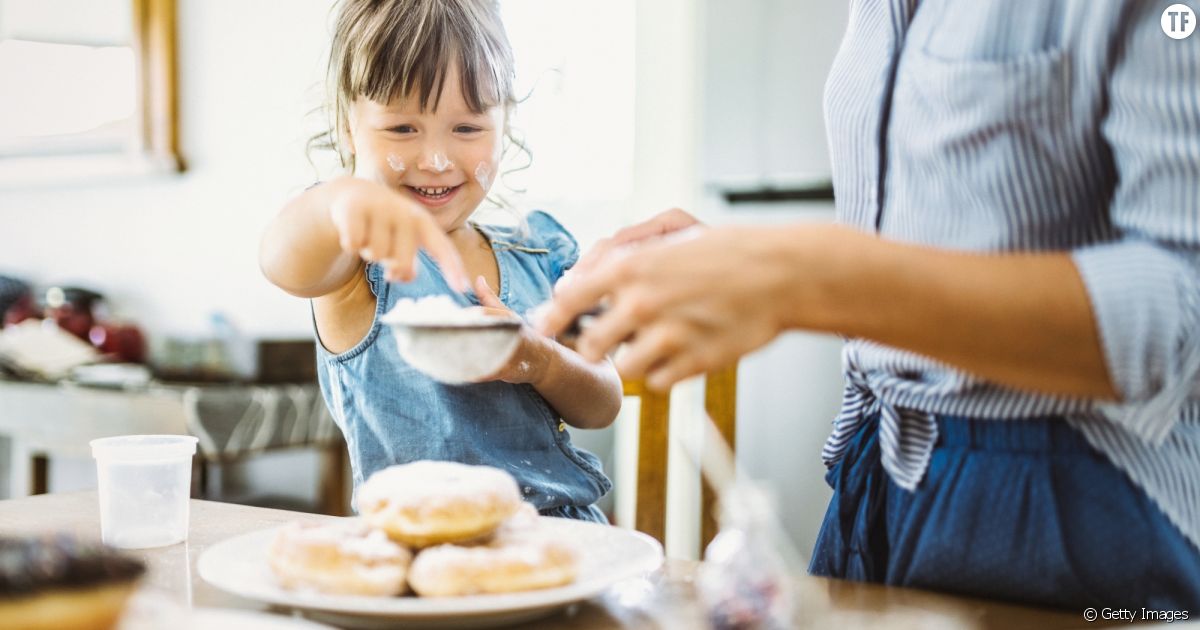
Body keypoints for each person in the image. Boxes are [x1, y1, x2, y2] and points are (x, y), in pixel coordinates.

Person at [539, 0, 1200, 608]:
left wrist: (803, 275)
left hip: (1076, 505)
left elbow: (1182, 306)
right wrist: (738, 266)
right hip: (878, 477)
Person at [259, 0, 619, 522]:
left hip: (560, 537)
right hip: (422, 545)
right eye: (402, 129)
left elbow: (602, 404)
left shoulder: (536, 251)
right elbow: (283, 262)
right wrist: (340, 200)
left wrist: (540, 361)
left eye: (468, 129)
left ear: (504, 124)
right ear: (347, 127)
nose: (436, 159)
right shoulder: (353, 257)